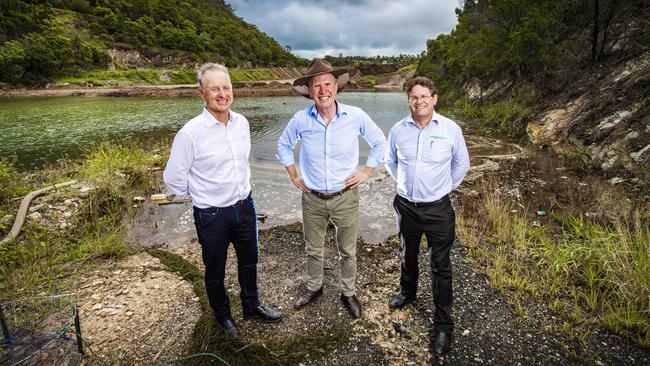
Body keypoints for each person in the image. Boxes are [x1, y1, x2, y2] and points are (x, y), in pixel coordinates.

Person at [163, 63, 282, 337]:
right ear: (201, 94)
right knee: (215, 269)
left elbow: (241, 163)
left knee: (249, 261)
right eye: (214, 88)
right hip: (211, 215)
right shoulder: (190, 133)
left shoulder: (242, 123)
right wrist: (204, 193)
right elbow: (174, 179)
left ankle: (252, 306)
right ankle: (223, 316)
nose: (222, 94)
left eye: (226, 87)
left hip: (245, 206)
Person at [276, 59, 387, 319]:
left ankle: (348, 292)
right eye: (317, 85)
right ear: (310, 90)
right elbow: (283, 146)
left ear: (336, 87)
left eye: (327, 84)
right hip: (312, 198)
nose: (323, 90)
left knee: (347, 250)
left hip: (345, 196)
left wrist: (366, 172)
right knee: (312, 248)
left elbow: (380, 143)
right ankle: (314, 287)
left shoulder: (355, 116)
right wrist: (293, 175)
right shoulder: (300, 119)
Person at [385, 76, 470, 356]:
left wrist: (442, 188)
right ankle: (408, 293)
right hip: (407, 206)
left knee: (440, 265)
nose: (419, 101)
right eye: (414, 96)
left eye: (424, 96)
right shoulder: (398, 129)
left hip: (438, 209)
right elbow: (391, 161)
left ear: (434, 98)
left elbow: (461, 164)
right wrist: (404, 186)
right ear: (408, 100)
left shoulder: (450, 129)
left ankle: (443, 324)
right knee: (407, 252)